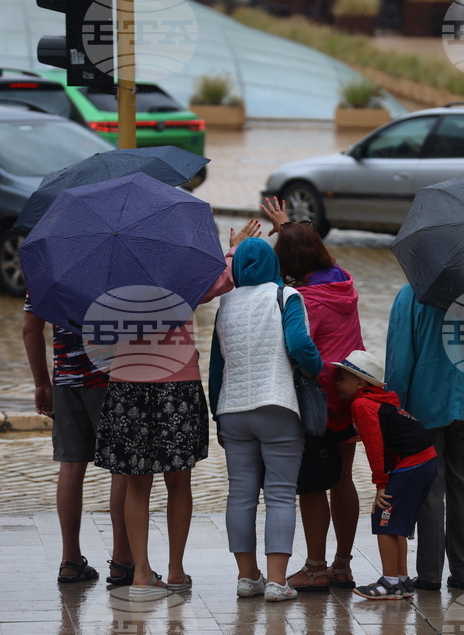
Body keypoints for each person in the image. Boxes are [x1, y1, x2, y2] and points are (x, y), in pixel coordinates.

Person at [93, 220, 258, 600]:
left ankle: (141, 575)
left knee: (137, 483)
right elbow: (222, 282)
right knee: (178, 480)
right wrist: (232, 248)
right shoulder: (178, 267)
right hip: (176, 383)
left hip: (127, 385)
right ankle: (177, 570)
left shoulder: (110, 274)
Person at [209, 237, 323, 602]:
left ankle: (247, 577)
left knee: (240, 495)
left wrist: (218, 415)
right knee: (279, 494)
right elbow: (300, 345)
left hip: (233, 409)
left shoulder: (225, 303)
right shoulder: (286, 297)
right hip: (277, 406)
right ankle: (276, 582)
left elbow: (216, 366)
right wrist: (315, 369)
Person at [261, 198, 366, 591]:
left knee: (312, 484)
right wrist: (289, 228)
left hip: (319, 401)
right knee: (343, 480)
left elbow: (296, 346)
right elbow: (307, 253)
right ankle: (342, 565)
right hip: (350, 392)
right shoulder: (342, 281)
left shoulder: (304, 301)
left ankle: (316, 567)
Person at [384, 284, 464, 591]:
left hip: (427, 403)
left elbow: (399, 361)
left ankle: (430, 573)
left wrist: (395, 410)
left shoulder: (413, 294)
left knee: (430, 489)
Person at [23, 297, 133, 584]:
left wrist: (41, 383)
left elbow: (30, 330)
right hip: (113, 379)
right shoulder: (114, 260)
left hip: (66, 380)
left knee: (71, 465)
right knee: (121, 467)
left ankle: (70, 560)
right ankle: (123, 561)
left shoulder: (48, 267)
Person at [332, 350, 437, 600]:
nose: (337, 382)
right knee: (397, 523)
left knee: (384, 518)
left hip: (410, 463)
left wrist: (381, 483)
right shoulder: (379, 400)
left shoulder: (362, 404)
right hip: (426, 460)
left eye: (342, 377)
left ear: (360, 382)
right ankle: (401, 581)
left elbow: (375, 446)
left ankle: (389, 582)